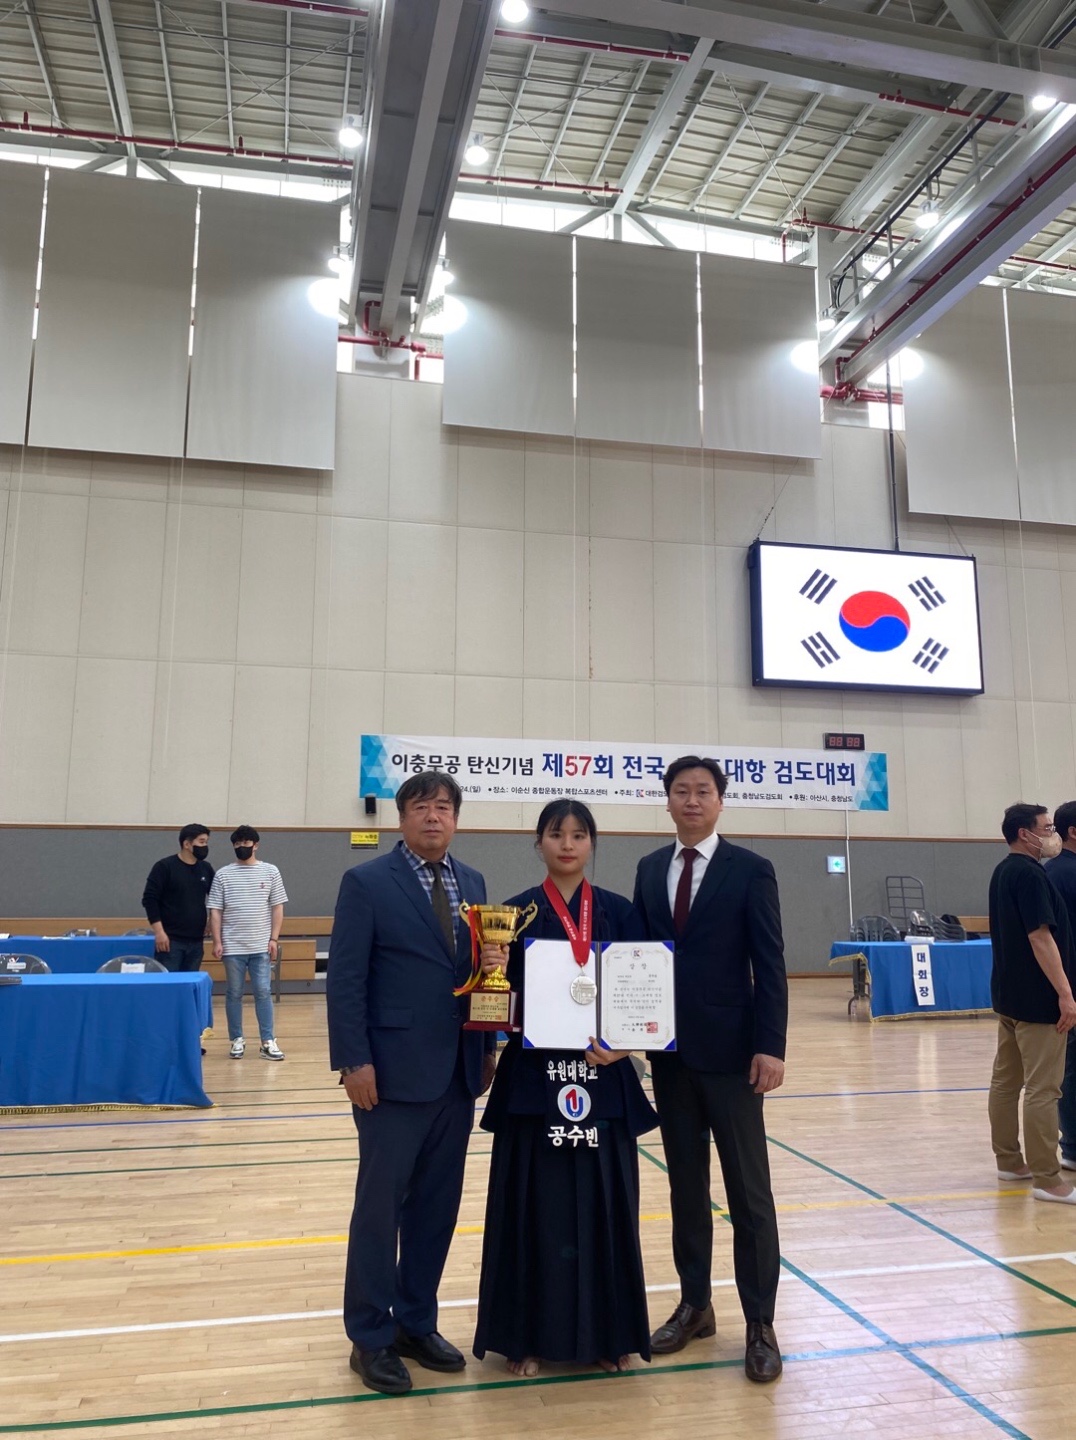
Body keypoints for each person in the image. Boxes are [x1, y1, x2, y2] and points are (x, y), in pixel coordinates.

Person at [473, 798, 658, 1378]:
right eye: (557, 834)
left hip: (602, 1080)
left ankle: (611, 1335)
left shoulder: (621, 913)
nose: (568, 844)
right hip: (534, 1083)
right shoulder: (513, 915)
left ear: (593, 843)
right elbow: (493, 1005)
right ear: (539, 843)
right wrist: (490, 966)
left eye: (579, 834)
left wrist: (627, 1041)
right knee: (532, 1207)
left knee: (608, 1206)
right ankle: (525, 1337)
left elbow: (645, 988)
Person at [326, 771, 497, 1397]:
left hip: (457, 1073)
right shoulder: (366, 882)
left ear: (456, 818)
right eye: (421, 807)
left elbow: (483, 977)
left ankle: (415, 1323)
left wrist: (488, 1049)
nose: (433, 817)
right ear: (401, 819)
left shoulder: (474, 883)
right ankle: (368, 1337)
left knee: (435, 1208)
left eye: (444, 807)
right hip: (389, 1075)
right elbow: (345, 979)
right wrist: (353, 1060)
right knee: (379, 1210)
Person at [632, 755, 787, 1385]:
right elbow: (637, 961)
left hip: (733, 1058)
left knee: (750, 1196)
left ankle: (760, 1323)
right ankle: (696, 1305)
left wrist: (770, 1045)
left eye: (703, 792)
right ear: (667, 801)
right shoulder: (648, 869)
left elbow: (769, 962)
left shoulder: (751, 870)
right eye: (680, 791)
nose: (691, 801)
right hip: (669, 1058)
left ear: (720, 802)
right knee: (685, 1190)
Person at [989, 803, 1076, 1203]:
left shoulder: (1004, 870)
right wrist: (1064, 992)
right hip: (1038, 999)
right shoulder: (1029, 875)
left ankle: (1009, 1160)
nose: (1052, 833)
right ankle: (1047, 1178)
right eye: (1047, 827)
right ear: (1026, 833)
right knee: (1044, 1087)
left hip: (1010, 996)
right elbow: (1041, 938)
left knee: (1007, 1082)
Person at [207, 825, 287, 1062]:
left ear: (256, 844)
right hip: (232, 947)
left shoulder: (271, 871)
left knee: (263, 992)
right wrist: (217, 940)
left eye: (247, 842)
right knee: (234, 993)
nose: (243, 847)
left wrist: (273, 938)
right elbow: (215, 911)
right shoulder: (223, 874)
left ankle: (268, 1041)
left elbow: (277, 907)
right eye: (238, 843)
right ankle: (236, 1040)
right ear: (233, 846)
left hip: (261, 946)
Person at [1046, 799, 1076, 1175]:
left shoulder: (1051, 872)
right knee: (1071, 1067)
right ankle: (1071, 1146)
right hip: (1070, 985)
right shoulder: (1060, 874)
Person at [140, 824, 214, 972]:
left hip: (196, 941)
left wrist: (211, 921)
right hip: (170, 940)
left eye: (206, 842)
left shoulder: (205, 868)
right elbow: (149, 899)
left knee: (189, 984)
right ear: (187, 844)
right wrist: (159, 932)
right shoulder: (164, 867)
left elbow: (216, 897)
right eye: (201, 842)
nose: (205, 846)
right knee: (168, 985)